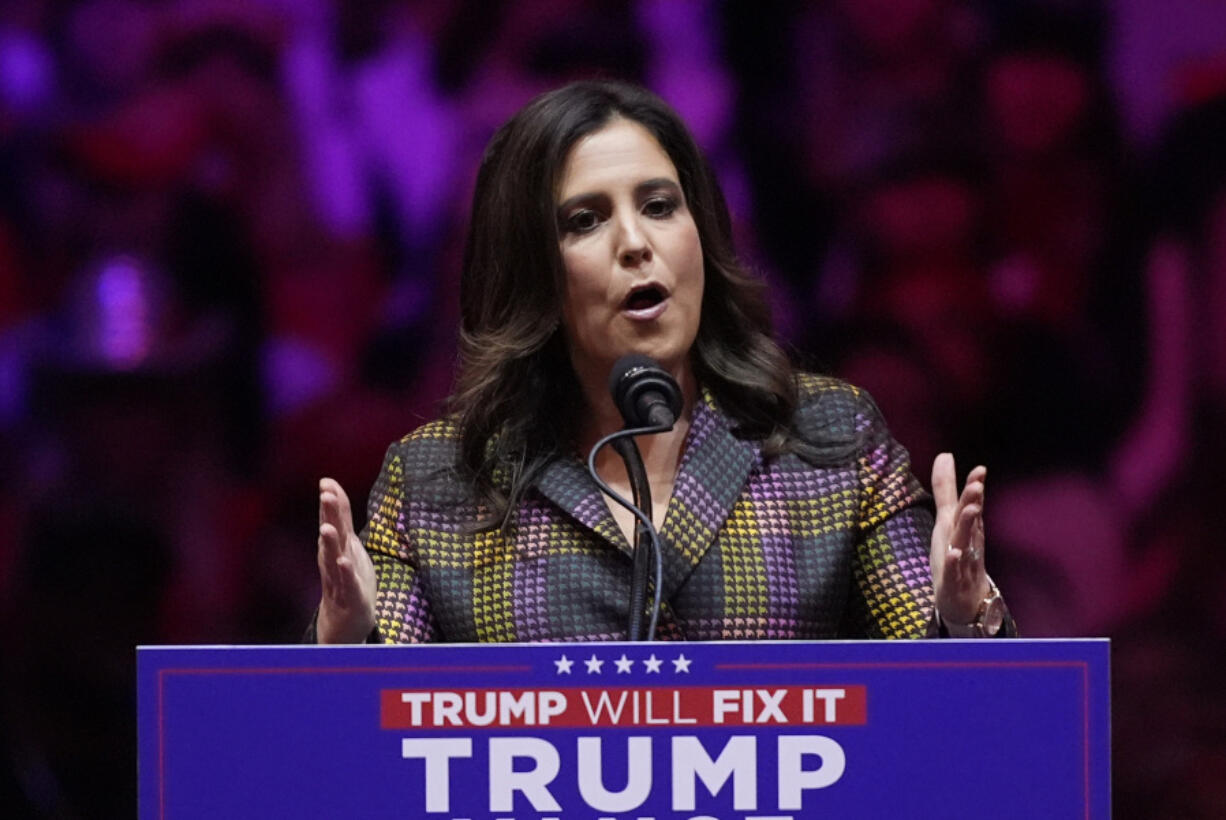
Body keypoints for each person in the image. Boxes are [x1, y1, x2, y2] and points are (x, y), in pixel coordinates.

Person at [312, 80, 1015, 644]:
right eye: (585, 220)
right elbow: (375, 748)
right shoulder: (441, 481)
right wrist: (340, 646)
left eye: (659, 206)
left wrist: (964, 618)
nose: (635, 242)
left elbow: (947, 725)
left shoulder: (827, 440)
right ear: (531, 269)